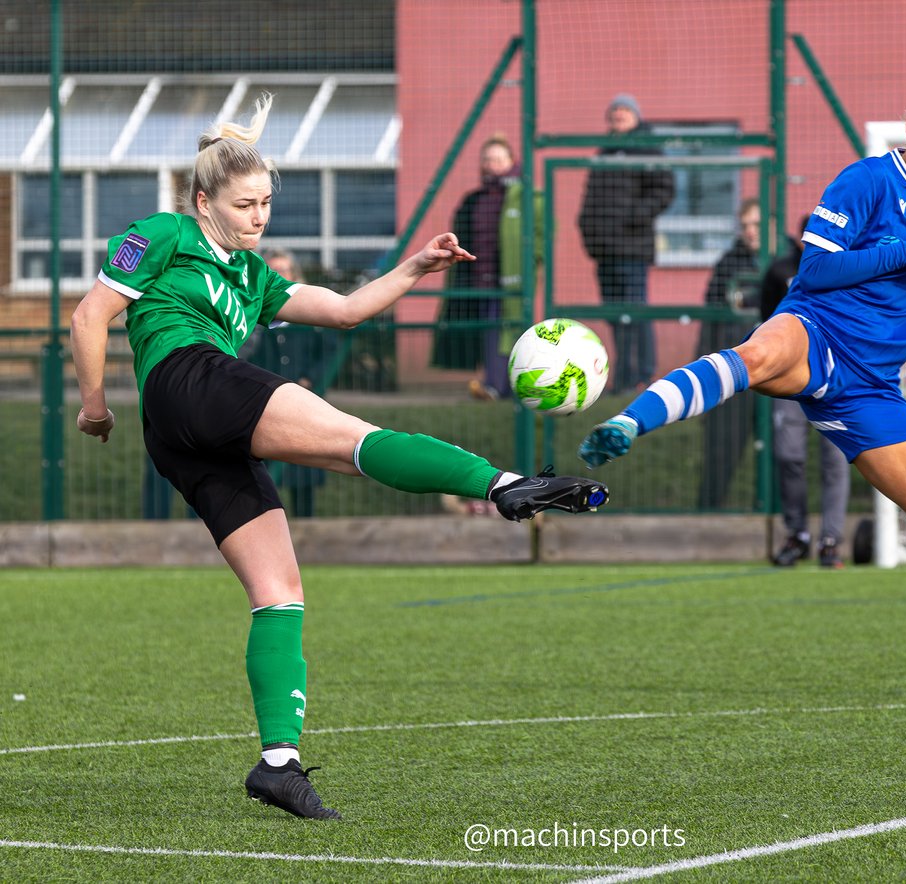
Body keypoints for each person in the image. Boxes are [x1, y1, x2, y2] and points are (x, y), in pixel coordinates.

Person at [70, 94, 609, 820]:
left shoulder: (254, 278)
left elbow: (347, 310)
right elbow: (90, 313)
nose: (259, 216)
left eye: (265, 203)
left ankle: (278, 764)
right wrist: (95, 402)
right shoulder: (163, 233)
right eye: (243, 204)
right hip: (190, 382)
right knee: (351, 439)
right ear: (203, 201)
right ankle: (505, 484)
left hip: (184, 436)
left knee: (280, 592)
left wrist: (418, 264)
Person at [579, 76, 906, 750]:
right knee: (759, 354)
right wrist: (905, 253)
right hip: (818, 334)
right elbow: (816, 272)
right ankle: (632, 421)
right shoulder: (863, 182)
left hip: (871, 390)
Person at [758, 223, 850, 568]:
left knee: (836, 459)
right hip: (788, 375)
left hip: (836, 373)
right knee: (788, 454)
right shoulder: (780, 270)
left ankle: (831, 541)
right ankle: (797, 535)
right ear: (801, 240)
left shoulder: (848, 267)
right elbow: (766, 322)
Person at [431, 134, 541, 401]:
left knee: (507, 331)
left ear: (511, 161)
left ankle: (503, 387)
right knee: (487, 331)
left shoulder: (526, 198)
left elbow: (541, 235)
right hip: (479, 278)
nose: (492, 165)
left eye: (498, 159)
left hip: (510, 279)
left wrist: (530, 263)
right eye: (487, 159)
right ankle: (495, 385)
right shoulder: (474, 199)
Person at [578, 93, 676, 393]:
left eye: (624, 110)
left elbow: (665, 189)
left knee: (635, 312)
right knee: (615, 317)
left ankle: (641, 375)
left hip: (632, 249)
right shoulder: (604, 151)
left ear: (635, 115)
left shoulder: (648, 148)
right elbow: (591, 199)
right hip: (605, 251)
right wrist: (588, 231)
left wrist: (633, 216)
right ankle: (623, 376)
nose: (619, 115)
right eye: (615, 110)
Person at [253, 248, 338, 518]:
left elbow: (328, 352)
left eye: (284, 271)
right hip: (264, 405)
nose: (279, 276)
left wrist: (310, 378)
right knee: (264, 477)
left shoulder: (309, 318)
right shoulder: (252, 318)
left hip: (303, 404)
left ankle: (306, 528)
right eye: (272, 271)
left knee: (303, 473)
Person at [697, 198, 761, 510]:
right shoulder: (728, 264)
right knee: (721, 453)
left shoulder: (792, 258)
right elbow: (709, 322)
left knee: (784, 457)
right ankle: (707, 516)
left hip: (778, 377)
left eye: (757, 225)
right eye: (746, 225)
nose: (751, 232)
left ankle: (784, 523)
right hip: (735, 374)